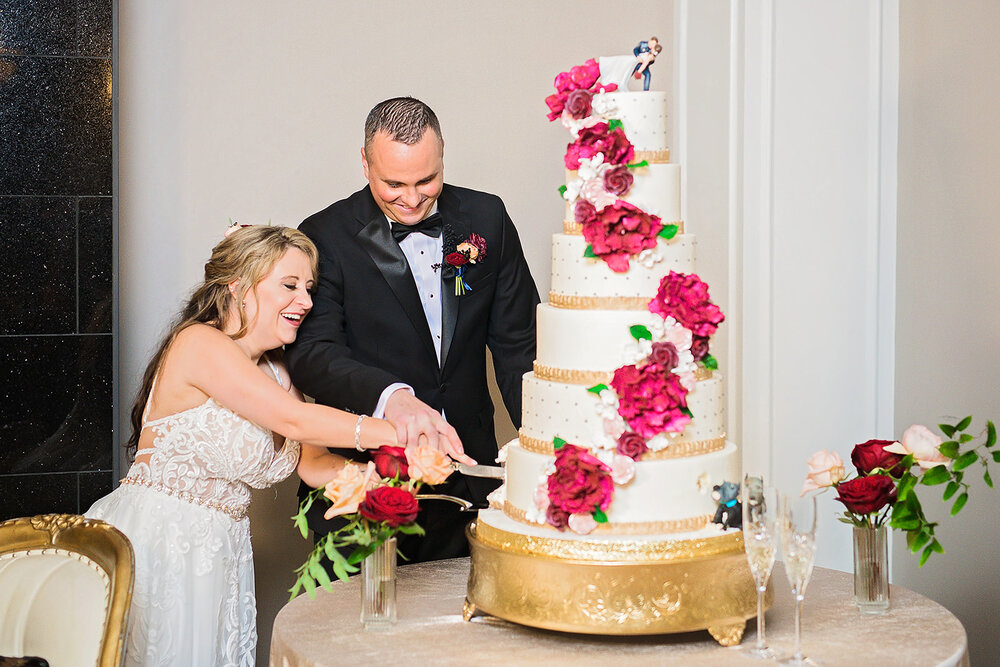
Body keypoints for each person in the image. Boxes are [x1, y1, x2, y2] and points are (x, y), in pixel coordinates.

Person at [86, 225, 402, 666]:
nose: (306, 301)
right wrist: (398, 429)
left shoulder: (279, 374)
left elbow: (312, 463)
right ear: (238, 287)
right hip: (161, 541)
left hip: (222, 550)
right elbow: (294, 420)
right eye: (289, 285)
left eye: (309, 288)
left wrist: (381, 479)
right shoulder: (198, 343)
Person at [285, 96, 540, 563]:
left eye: (427, 179)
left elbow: (520, 346)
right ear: (365, 164)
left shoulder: (488, 219)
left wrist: (548, 446)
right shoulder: (325, 235)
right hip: (364, 483)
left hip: (471, 476)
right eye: (393, 183)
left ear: (443, 156)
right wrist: (392, 397)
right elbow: (313, 354)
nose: (412, 198)